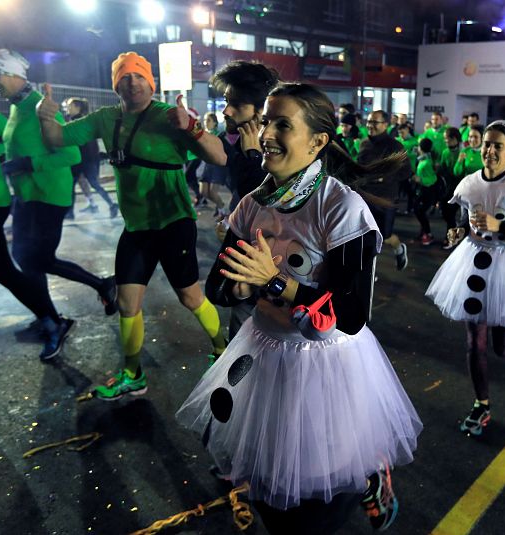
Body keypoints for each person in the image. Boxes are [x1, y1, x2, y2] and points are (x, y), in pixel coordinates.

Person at [176, 82, 422, 534]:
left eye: (282, 124)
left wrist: (273, 280)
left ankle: (370, 475)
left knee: (314, 496)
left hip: (326, 363)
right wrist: (244, 286)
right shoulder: (253, 205)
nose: (265, 131)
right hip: (264, 349)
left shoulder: (342, 208)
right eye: (266, 120)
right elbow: (218, 288)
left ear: (317, 142)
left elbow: (350, 316)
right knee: (267, 485)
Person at [36, 51, 228, 399]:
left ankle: (221, 348)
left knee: (189, 297)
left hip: (174, 221)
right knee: (127, 304)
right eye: (125, 76)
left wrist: (193, 127)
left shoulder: (170, 116)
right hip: (137, 228)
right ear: (116, 86)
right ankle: (133, 375)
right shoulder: (105, 118)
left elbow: (218, 156)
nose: (133, 82)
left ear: (151, 82)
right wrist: (45, 117)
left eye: (139, 75)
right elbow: (56, 139)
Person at [426, 120, 505, 437]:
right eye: (486, 144)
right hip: (473, 262)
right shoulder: (469, 182)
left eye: (498, 145)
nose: (490, 150)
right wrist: (458, 229)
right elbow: (462, 213)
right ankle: (481, 404)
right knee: (475, 343)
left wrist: (502, 228)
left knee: (502, 347)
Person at [0, 49, 117, 323]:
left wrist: (28, 163)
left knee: (39, 260)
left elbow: (72, 155)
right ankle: (47, 315)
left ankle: (101, 285)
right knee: (24, 258)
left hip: (50, 196)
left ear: (13, 75)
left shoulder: (40, 106)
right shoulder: (14, 108)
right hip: (26, 196)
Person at [0, 106, 75, 360]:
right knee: (16, 266)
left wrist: (23, 164)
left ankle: (53, 320)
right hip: (15, 199)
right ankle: (51, 319)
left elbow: (70, 154)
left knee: (23, 264)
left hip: (5, 201)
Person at [205, 59, 280, 338]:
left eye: (235, 104)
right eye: (226, 101)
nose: (226, 111)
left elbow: (268, 202)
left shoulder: (278, 151)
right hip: (245, 272)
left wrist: (253, 158)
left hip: (272, 277)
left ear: (262, 110)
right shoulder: (240, 144)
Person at [357, 109, 412, 270]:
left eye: (374, 122)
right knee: (366, 237)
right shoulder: (364, 143)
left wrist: (385, 177)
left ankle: (399, 248)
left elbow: (406, 171)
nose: (370, 125)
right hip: (365, 198)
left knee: (385, 236)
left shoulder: (395, 146)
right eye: (368, 122)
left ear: (386, 125)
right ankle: (366, 274)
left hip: (386, 199)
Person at [62, 97, 119, 220]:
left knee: (90, 184)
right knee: (84, 184)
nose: (68, 108)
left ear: (78, 107)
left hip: (85, 160)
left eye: (70, 106)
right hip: (85, 160)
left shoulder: (79, 122)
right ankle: (109, 205)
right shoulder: (78, 121)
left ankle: (111, 204)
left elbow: (85, 143)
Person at [199, 112, 229, 219]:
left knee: (212, 193)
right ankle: (219, 206)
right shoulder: (204, 133)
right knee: (203, 192)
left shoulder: (218, 135)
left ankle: (222, 209)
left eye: (208, 120)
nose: (205, 122)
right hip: (208, 166)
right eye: (205, 120)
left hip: (217, 167)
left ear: (215, 123)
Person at [437, 126, 462, 246]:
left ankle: (451, 237)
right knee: (445, 211)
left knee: (451, 213)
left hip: (460, 186)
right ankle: (453, 230)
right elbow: (442, 168)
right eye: (445, 139)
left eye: (447, 139)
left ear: (455, 138)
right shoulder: (445, 152)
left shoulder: (462, 152)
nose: (446, 141)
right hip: (448, 186)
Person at [413, 137, 438, 245]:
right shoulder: (423, 158)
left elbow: (433, 179)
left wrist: (420, 179)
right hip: (422, 190)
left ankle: (428, 234)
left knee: (420, 212)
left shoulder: (427, 161)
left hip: (428, 191)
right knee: (418, 210)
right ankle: (423, 233)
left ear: (421, 147)